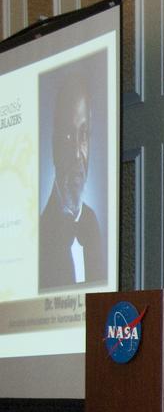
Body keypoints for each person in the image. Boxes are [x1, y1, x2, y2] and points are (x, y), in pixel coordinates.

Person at [39, 73, 106, 291]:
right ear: (54, 144)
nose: (78, 153)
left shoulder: (92, 223)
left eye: (83, 134)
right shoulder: (41, 232)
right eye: (68, 136)